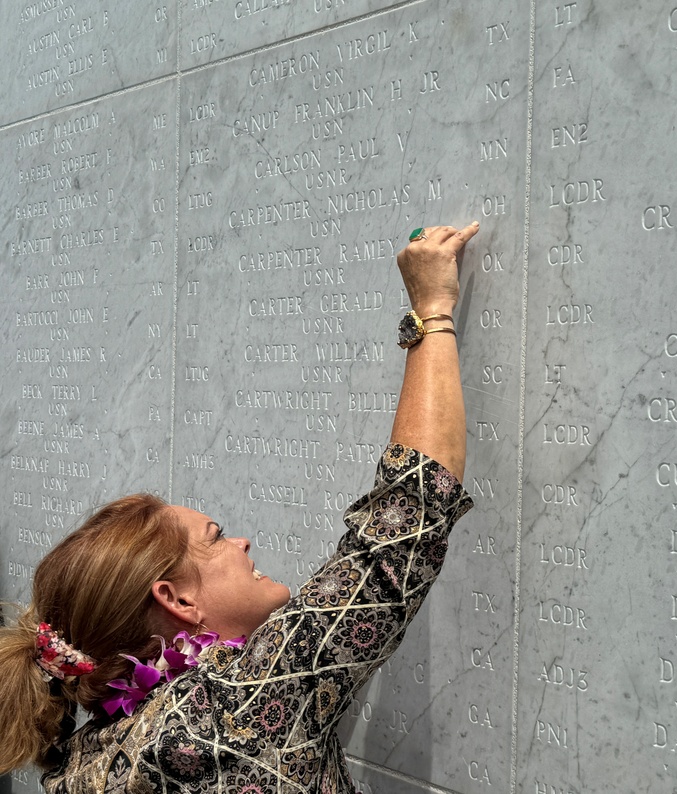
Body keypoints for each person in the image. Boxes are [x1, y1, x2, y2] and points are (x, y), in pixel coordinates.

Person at [0, 221, 480, 793]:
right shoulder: (226, 716)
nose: (241, 542)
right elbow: (403, 524)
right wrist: (431, 309)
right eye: (216, 535)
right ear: (175, 599)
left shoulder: (80, 767)